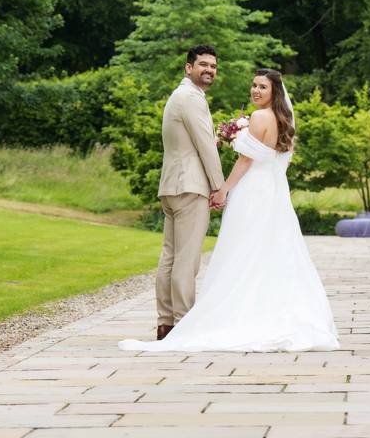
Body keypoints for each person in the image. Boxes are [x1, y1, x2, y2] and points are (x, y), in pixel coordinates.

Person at [119, 68, 340, 352]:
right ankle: (266, 311)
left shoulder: (259, 118)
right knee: (267, 250)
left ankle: (235, 313)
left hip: (251, 189)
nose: (255, 90)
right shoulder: (282, 120)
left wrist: (223, 188)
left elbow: (246, 161)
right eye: (254, 85)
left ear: (274, 91)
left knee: (241, 248)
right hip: (272, 190)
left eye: (262, 87)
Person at [152, 45, 225, 341]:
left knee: (170, 256)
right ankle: (183, 323)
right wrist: (219, 187)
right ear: (188, 68)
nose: (209, 70)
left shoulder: (178, 96)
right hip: (189, 186)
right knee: (187, 258)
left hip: (172, 185)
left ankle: (165, 323)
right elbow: (205, 148)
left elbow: (194, 142)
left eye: (213, 66)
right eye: (203, 65)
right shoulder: (191, 98)